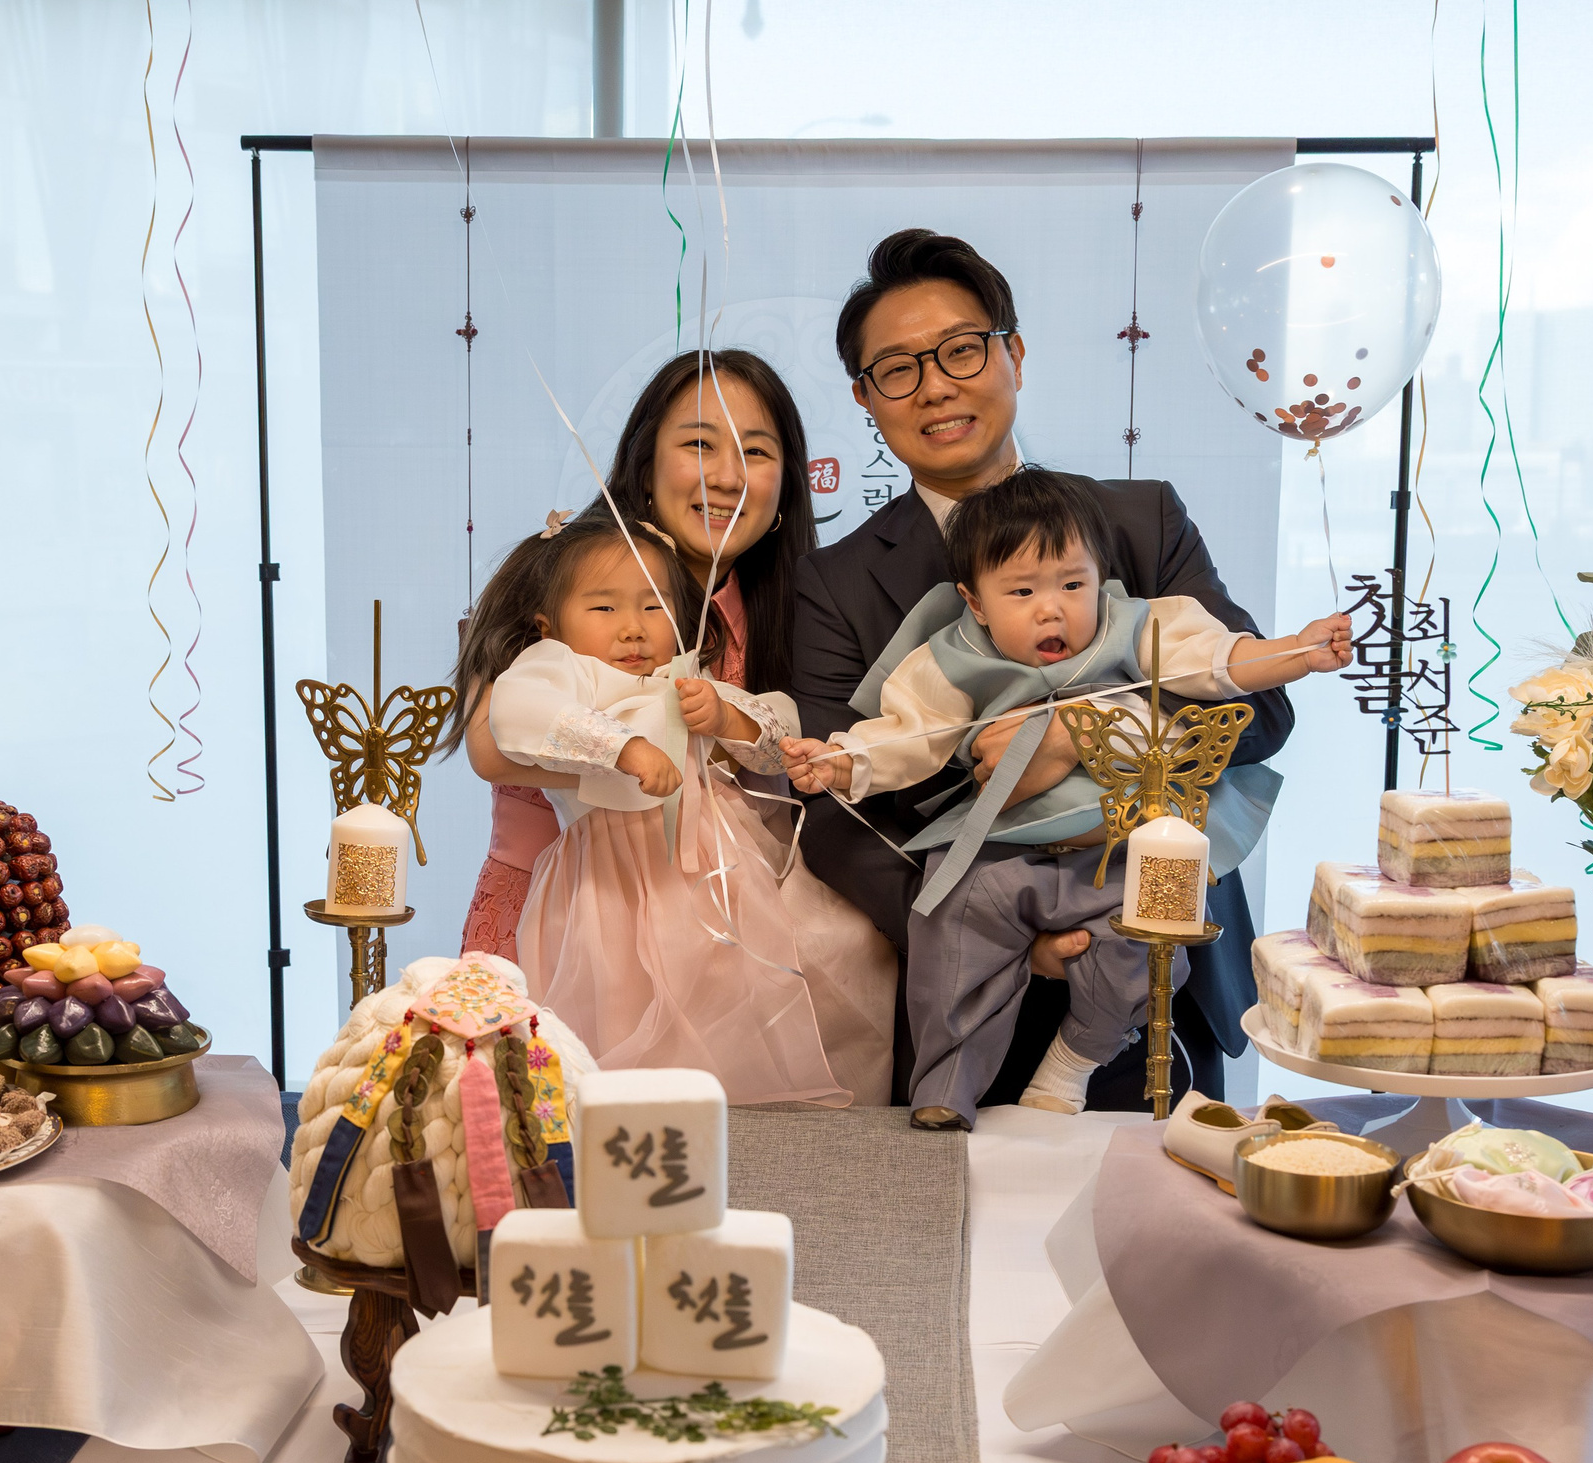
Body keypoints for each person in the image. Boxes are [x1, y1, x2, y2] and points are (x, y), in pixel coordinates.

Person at [793, 228, 1300, 1114]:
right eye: (899, 369)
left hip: (1158, 972)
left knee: (1166, 1206)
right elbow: (837, 821)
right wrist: (999, 941)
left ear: (1014, 355)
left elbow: (1260, 712)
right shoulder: (834, 582)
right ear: (865, 398)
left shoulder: (1139, 521)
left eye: (960, 350)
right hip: (963, 1002)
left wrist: (1076, 735)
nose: (936, 386)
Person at [785, 470, 1348, 1128]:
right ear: (974, 602)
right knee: (950, 928)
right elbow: (908, 735)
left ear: (1100, 577)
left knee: (1150, 939)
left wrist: (1296, 651)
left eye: (1073, 585)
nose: (1051, 609)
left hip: (1121, 849)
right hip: (1003, 851)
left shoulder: (1137, 624)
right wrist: (842, 761)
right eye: (1022, 592)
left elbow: (1218, 662)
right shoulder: (948, 657)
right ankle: (946, 1083)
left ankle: (1073, 1061)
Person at [459, 513, 895, 1106]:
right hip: (611, 884)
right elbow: (518, 714)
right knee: (624, 1003)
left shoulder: (683, 677)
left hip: (725, 875)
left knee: (826, 953)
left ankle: (756, 1125)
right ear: (548, 625)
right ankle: (641, 1130)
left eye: (654, 607)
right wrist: (624, 748)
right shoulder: (561, 669)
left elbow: (777, 735)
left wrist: (725, 717)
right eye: (604, 608)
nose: (633, 629)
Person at [455, 350, 819, 964]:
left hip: (712, 928)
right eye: (699, 445)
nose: (727, 477)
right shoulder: (561, 572)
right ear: (645, 463)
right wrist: (655, 752)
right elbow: (493, 747)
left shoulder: (795, 608)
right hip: (560, 912)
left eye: (756, 451)